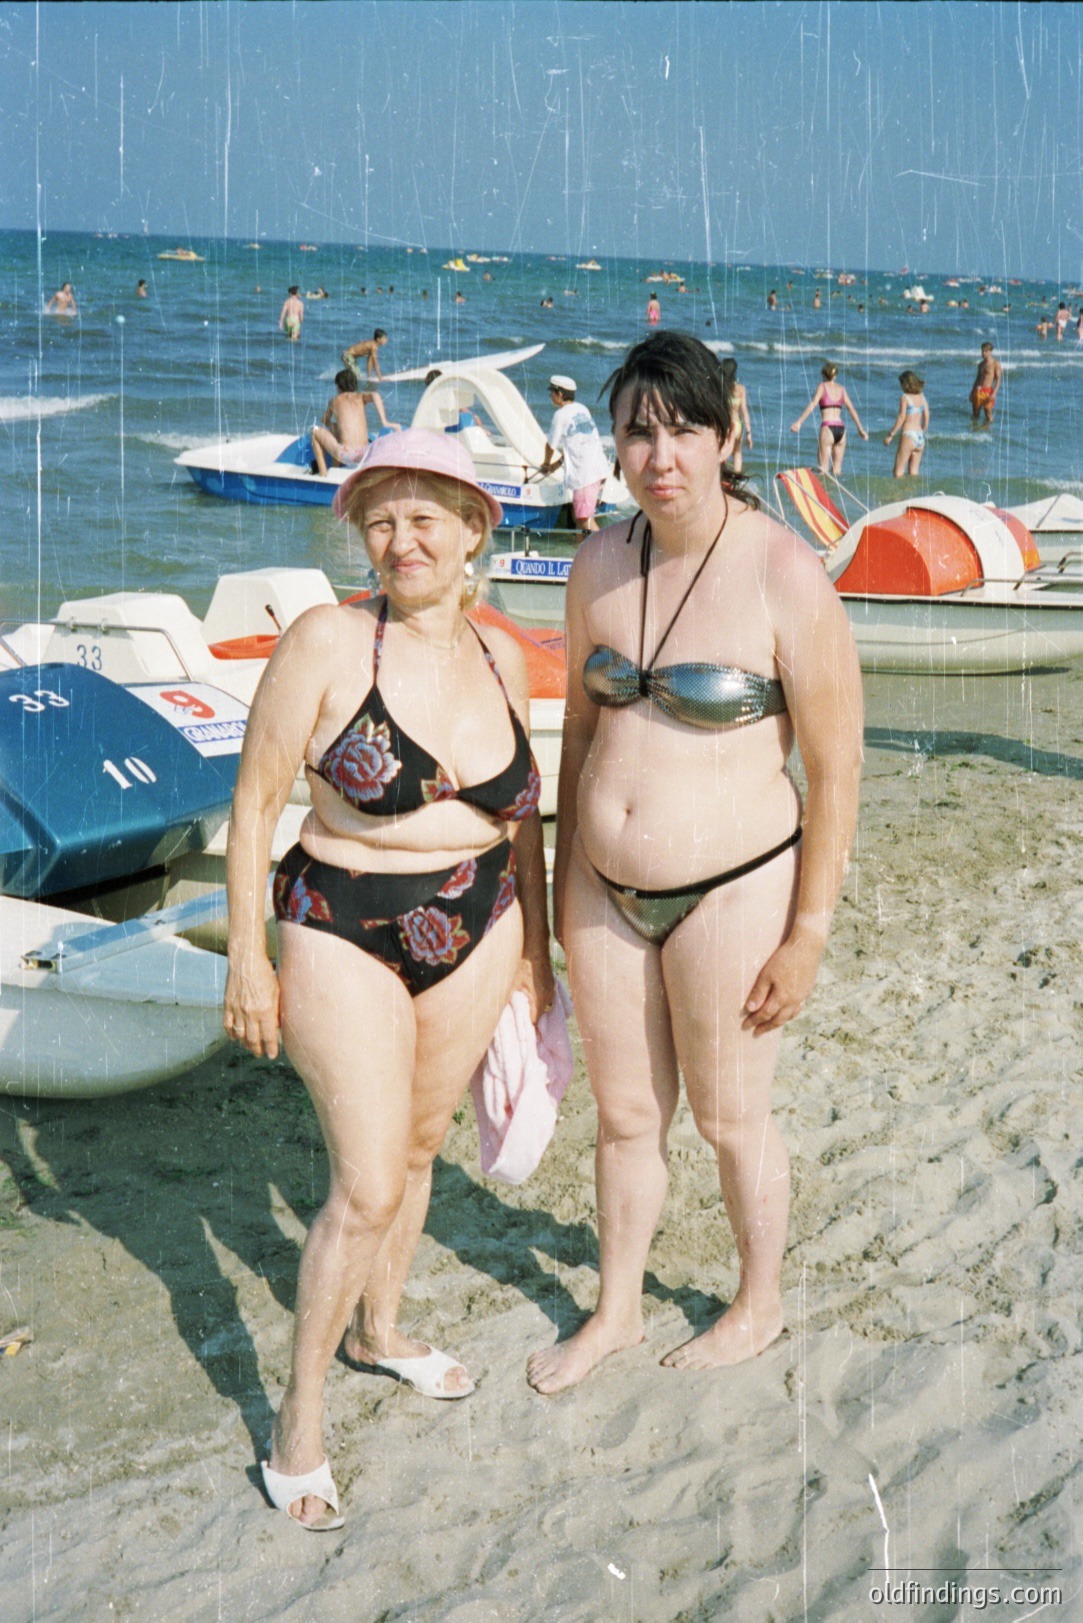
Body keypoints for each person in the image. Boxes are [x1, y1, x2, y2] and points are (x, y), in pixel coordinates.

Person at [225, 428, 553, 1527]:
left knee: (417, 1150)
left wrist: (536, 956)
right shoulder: (326, 641)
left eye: (425, 519)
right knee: (362, 1183)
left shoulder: (502, 654)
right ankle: (299, 1420)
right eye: (380, 521)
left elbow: (523, 821)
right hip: (339, 917)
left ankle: (381, 1329)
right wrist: (244, 957)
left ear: (474, 531)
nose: (400, 540)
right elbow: (254, 807)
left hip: (478, 916)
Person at [526, 331, 862, 1395]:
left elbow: (838, 769)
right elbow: (579, 736)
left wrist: (807, 935)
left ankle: (758, 1302)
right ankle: (617, 1310)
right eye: (637, 431)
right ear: (614, 447)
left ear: (727, 434)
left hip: (736, 886)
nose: (658, 454)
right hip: (600, 888)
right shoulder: (597, 562)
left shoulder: (781, 572)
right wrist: (549, 898)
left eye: (682, 430)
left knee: (726, 1117)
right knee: (625, 1120)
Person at [539, 375, 613, 537]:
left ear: (559, 394)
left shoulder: (560, 415)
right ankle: (580, 552)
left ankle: (606, 554)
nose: (549, 395)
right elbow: (576, 445)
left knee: (584, 519)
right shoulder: (581, 409)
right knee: (578, 516)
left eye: (551, 391)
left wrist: (545, 464)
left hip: (585, 475)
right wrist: (556, 466)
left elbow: (550, 446)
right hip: (598, 470)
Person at [310, 370, 394, 475]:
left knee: (315, 430)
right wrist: (385, 421)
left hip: (347, 455)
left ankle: (323, 473)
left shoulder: (334, 401)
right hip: (365, 454)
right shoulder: (360, 397)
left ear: (339, 386)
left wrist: (331, 425)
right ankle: (335, 469)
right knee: (336, 429)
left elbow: (324, 420)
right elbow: (375, 395)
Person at [790, 362, 868, 474]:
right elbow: (851, 408)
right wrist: (860, 429)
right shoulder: (842, 389)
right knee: (837, 470)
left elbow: (813, 404)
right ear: (835, 375)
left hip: (828, 427)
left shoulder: (822, 387)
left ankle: (823, 491)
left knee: (823, 468)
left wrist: (799, 422)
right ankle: (836, 491)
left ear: (823, 374)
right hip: (841, 429)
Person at [342, 329, 397, 427]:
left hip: (347, 355)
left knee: (358, 375)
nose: (386, 340)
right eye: (384, 338)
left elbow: (370, 361)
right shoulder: (374, 346)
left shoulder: (373, 346)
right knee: (358, 375)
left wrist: (370, 375)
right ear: (378, 339)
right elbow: (375, 363)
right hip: (347, 356)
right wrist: (380, 378)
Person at [883, 370, 929, 478]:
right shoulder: (922, 397)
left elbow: (901, 417)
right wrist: (923, 431)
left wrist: (891, 435)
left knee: (898, 472)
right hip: (920, 437)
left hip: (908, 434)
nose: (901, 387)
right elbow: (927, 416)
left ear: (906, 384)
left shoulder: (905, 398)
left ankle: (899, 495)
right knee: (913, 473)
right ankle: (913, 494)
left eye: (902, 384)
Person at [720, 358, 753, 474]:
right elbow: (744, 411)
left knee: (723, 453)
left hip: (726, 425)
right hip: (738, 425)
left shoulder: (721, 388)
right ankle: (736, 481)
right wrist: (749, 433)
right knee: (737, 453)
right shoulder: (740, 389)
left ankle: (723, 481)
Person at [969, 342, 1001, 425]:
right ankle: (975, 431)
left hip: (987, 391)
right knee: (975, 413)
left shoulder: (995, 364)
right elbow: (977, 379)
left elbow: (998, 380)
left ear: (990, 351)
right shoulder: (980, 364)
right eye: (982, 351)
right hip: (978, 390)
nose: (983, 353)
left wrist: (994, 393)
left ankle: (988, 431)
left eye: (985, 351)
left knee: (988, 413)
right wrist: (972, 391)